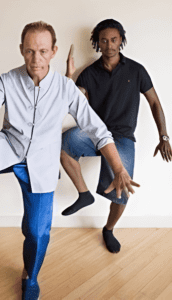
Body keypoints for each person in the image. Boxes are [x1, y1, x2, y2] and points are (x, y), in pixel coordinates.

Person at [0, 21, 139, 299]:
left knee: (37, 233)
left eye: (42, 51)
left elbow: (98, 130)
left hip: (42, 163)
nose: (35, 59)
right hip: (9, 147)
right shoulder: (8, 80)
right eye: (29, 51)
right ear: (21, 50)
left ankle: (30, 275)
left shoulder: (66, 88)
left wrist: (119, 167)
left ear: (53, 51)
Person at [61, 19, 172, 254]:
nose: (109, 45)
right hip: (95, 134)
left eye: (113, 39)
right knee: (63, 142)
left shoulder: (136, 70)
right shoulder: (88, 74)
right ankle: (84, 194)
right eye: (104, 40)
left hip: (121, 138)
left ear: (121, 40)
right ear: (97, 43)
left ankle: (108, 229)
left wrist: (164, 136)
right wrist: (68, 79)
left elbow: (154, 102)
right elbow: (73, 105)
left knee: (122, 192)